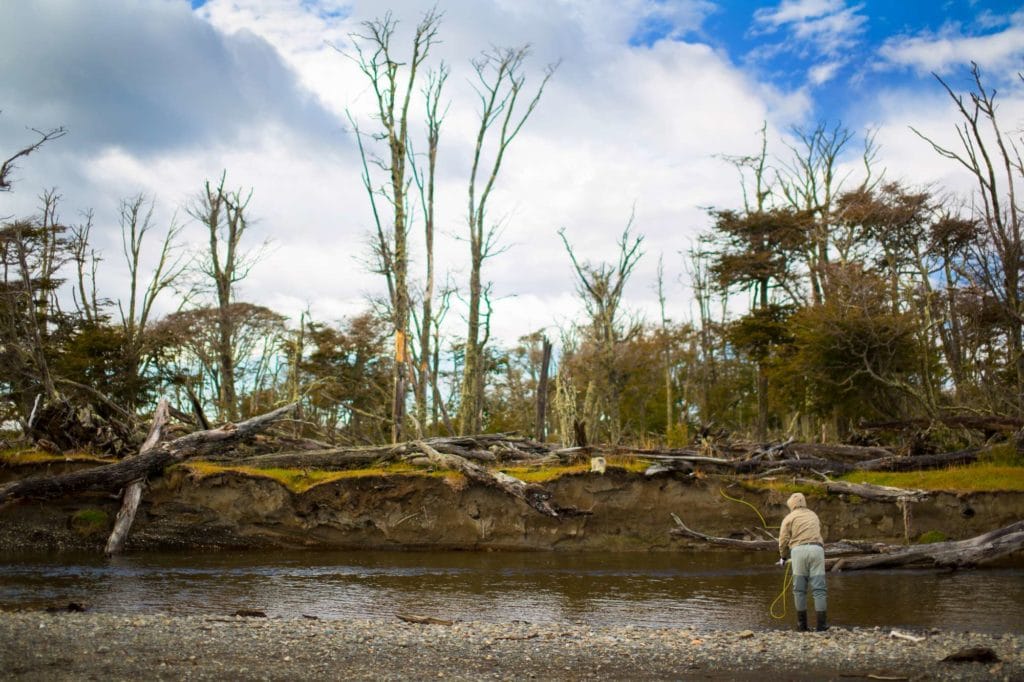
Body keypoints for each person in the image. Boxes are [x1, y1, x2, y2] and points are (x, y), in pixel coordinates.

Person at [778, 492, 828, 632]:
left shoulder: (789, 518)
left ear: (791, 505)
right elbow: (819, 531)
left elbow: (783, 541)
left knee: (799, 590)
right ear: (804, 502)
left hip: (798, 552)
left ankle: (802, 626)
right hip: (817, 550)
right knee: (819, 590)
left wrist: (783, 557)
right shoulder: (813, 515)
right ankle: (822, 626)